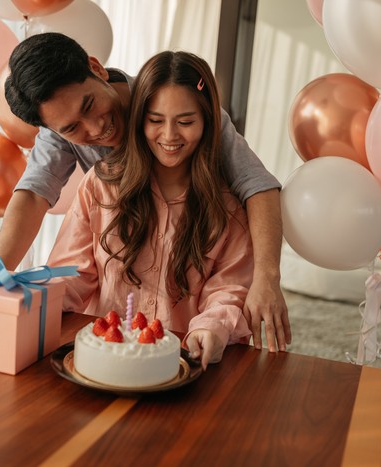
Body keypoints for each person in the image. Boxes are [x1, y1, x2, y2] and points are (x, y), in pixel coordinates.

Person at [0, 32, 290, 352]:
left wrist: (266, 279)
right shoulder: (96, 183)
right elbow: (36, 199)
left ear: (96, 69)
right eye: (72, 128)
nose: (96, 129)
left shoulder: (173, 104)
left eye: (90, 105)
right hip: (113, 340)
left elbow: (258, 187)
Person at [49, 50, 252, 368]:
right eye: (155, 121)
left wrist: (213, 326)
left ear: (207, 122)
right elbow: (73, 272)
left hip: (182, 365)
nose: (170, 136)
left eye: (185, 122)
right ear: (139, 119)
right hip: (103, 360)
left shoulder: (226, 207)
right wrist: (32, 299)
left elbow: (230, 287)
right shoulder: (100, 185)